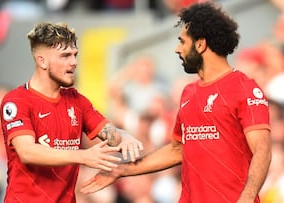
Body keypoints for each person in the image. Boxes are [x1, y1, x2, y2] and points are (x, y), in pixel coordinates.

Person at [80, 2, 272, 202]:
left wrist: (247, 197)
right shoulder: (189, 92)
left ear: (200, 44)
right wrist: (122, 169)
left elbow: (262, 149)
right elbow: (177, 149)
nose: (177, 49)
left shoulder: (244, 88)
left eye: (182, 41)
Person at [0, 22, 144, 202]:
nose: (74, 62)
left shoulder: (77, 101)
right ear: (42, 61)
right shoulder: (16, 101)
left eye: (75, 55)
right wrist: (82, 156)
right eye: (65, 56)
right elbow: (27, 152)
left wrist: (124, 137)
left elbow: (110, 134)